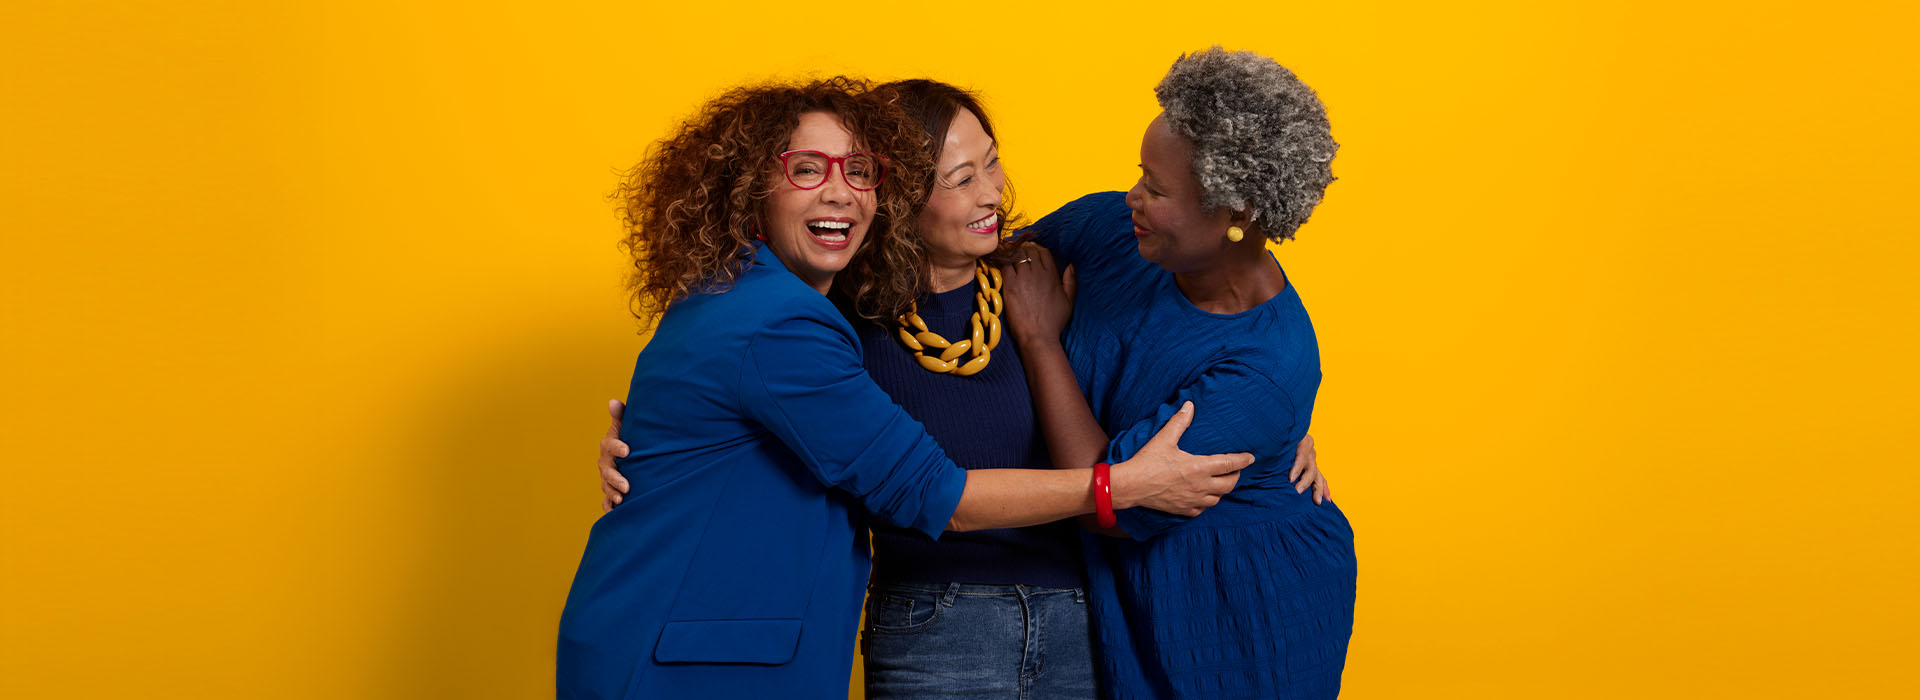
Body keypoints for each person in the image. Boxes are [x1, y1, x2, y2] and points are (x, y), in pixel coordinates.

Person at [595, 76, 1337, 698]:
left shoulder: (1024, 275)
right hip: (935, 626)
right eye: (960, 177)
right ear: (902, 196)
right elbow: (757, 397)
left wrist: (1274, 426)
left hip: (1085, 614)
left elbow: (1225, 331)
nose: (994, 193)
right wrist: (659, 445)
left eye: (992, 163)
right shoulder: (828, 314)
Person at [1000, 47, 1355, 699]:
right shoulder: (1110, 230)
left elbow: (1106, 506)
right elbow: (982, 265)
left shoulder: (1267, 366)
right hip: (1129, 582)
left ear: (1239, 216)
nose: (1132, 197)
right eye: (1141, 173)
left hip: (1237, 611)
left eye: (1157, 190)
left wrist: (1041, 341)